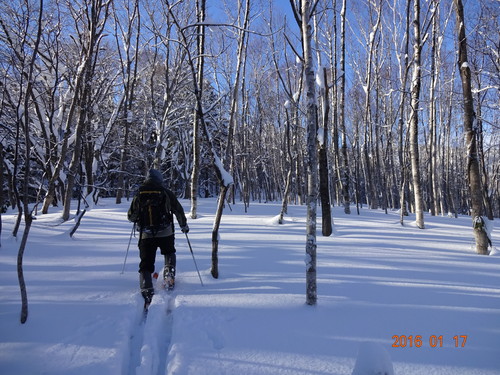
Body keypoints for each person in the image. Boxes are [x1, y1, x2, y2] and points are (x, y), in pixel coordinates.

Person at [127, 169, 189, 304]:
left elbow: (131, 216)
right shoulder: (166, 193)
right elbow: (178, 210)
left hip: (146, 234)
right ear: (160, 179)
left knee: (146, 262)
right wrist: (183, 225)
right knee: (169, 252)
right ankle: (169, 278)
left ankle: (146, 287)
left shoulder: (140, 193)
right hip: (166, 232)